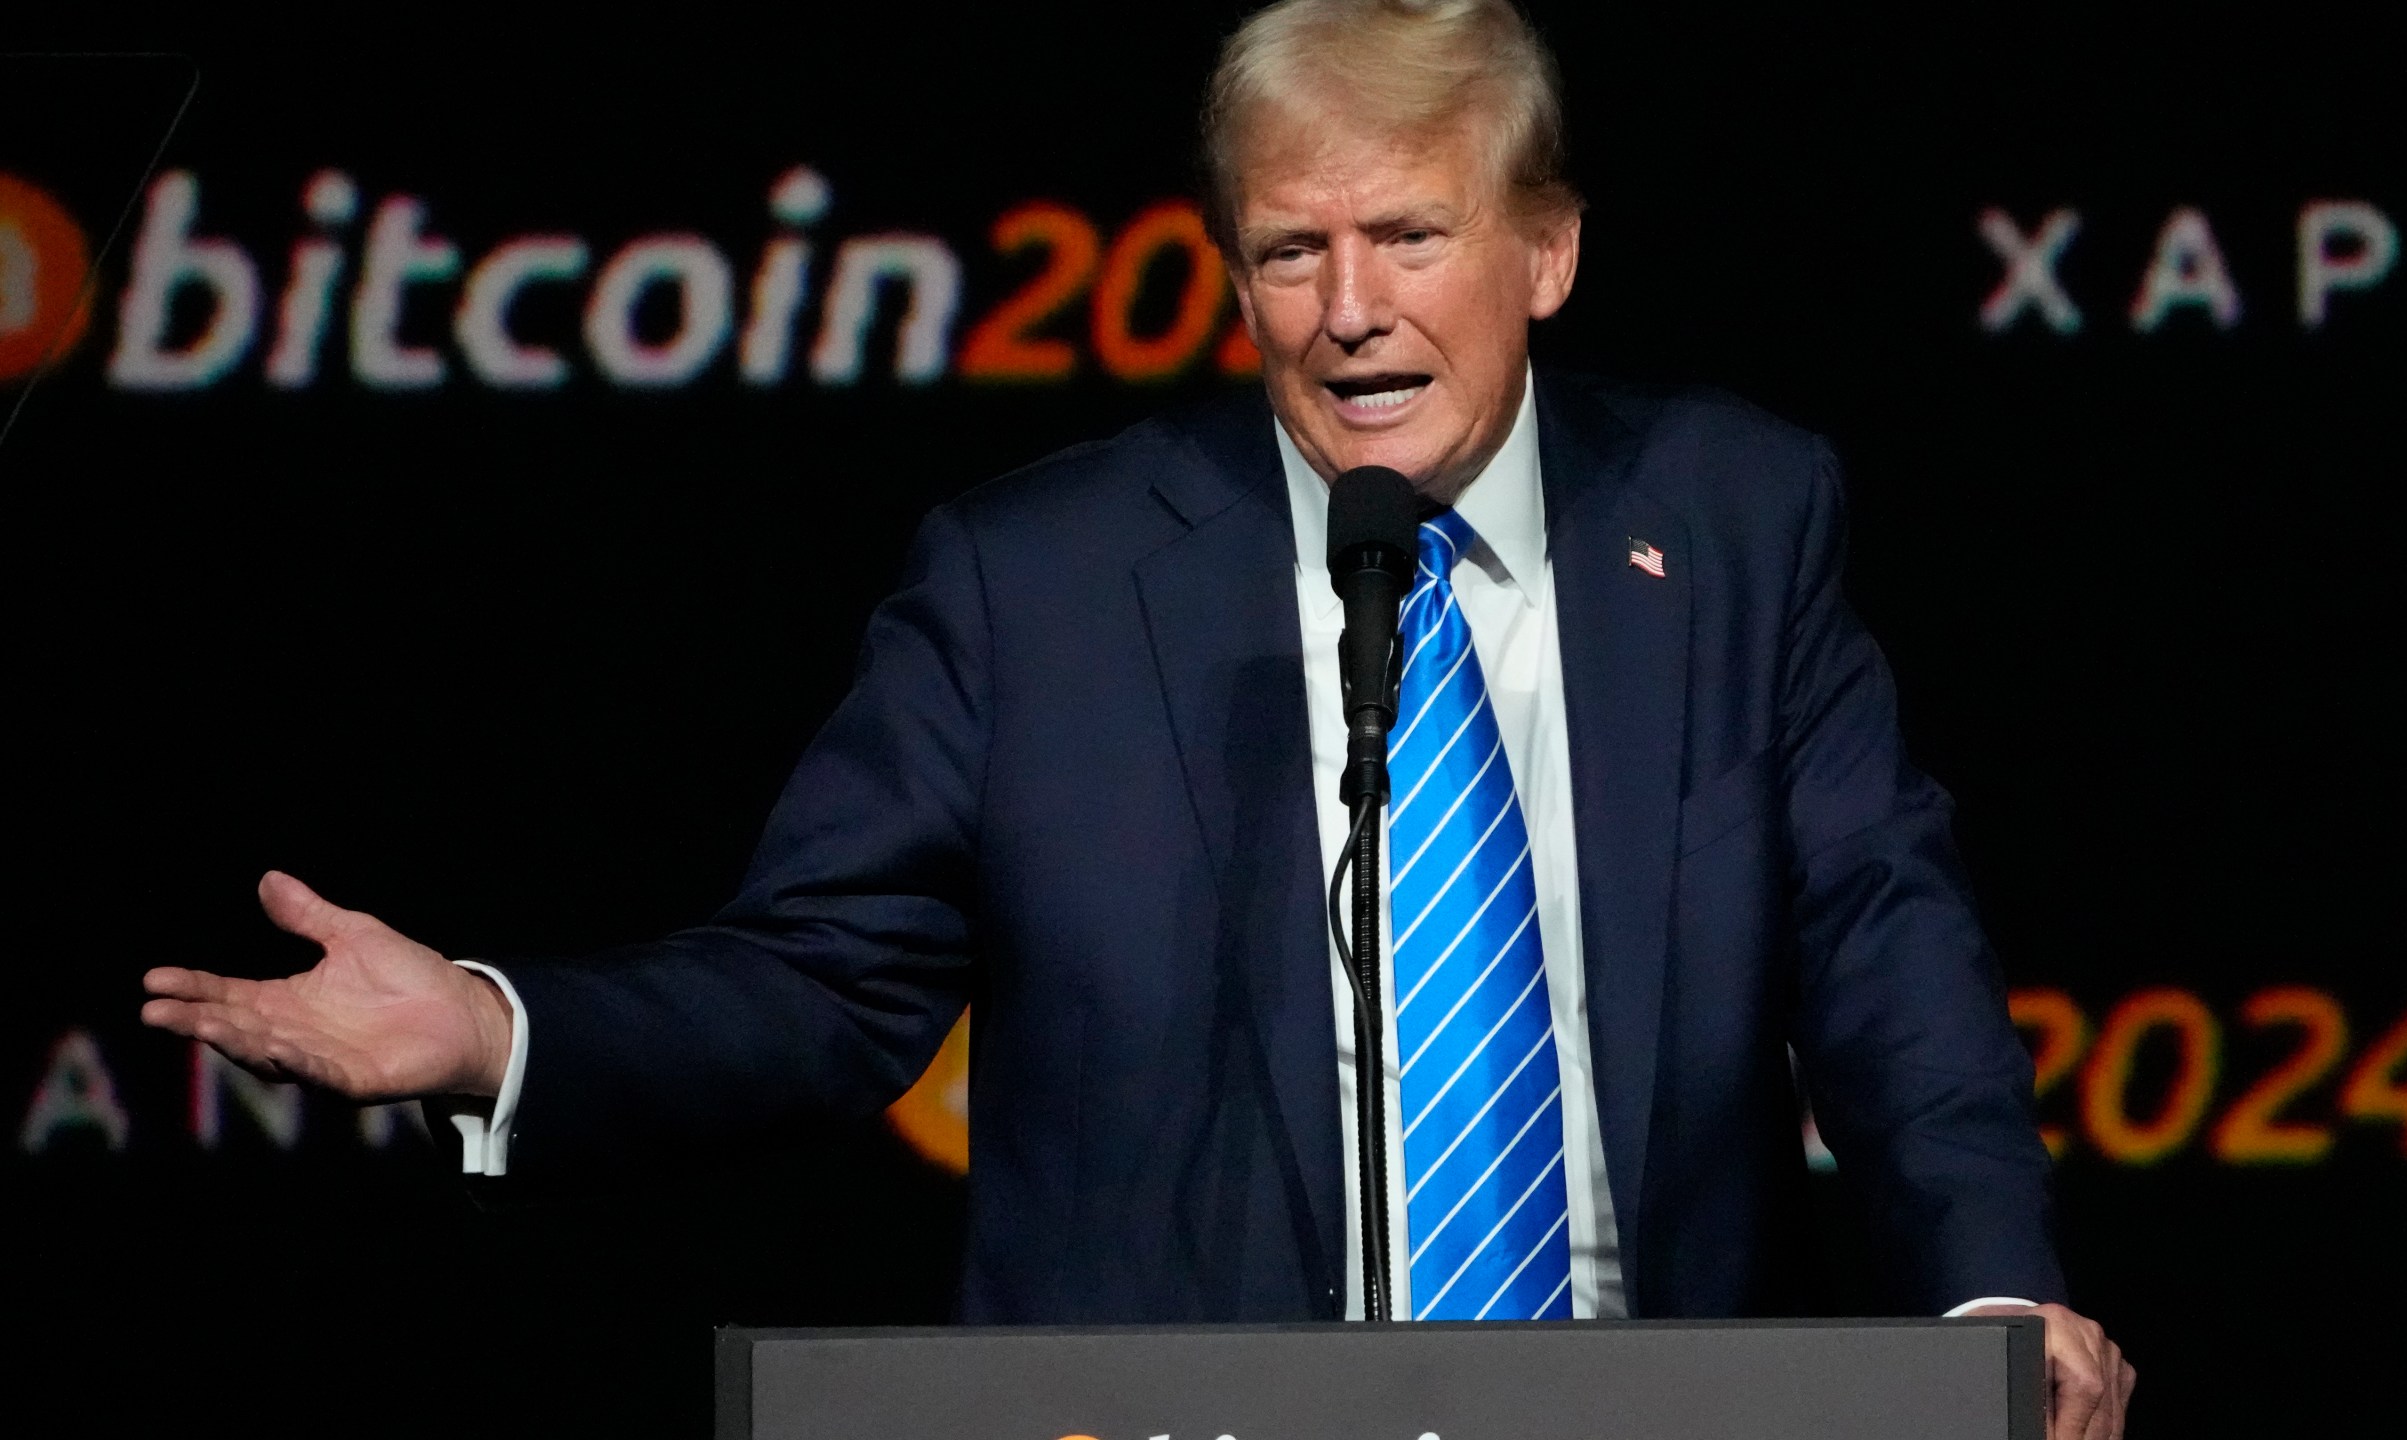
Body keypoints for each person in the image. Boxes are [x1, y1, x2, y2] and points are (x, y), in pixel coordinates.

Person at [141, 1, 2131, 1435]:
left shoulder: (1726, 521)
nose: (1345, 307)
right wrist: (502, 1028)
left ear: (1545, 248)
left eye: (1408, 239)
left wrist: (1985, 1302)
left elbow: (1884, 951)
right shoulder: (1039, 586)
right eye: (1290, 249)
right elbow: (822, 988)